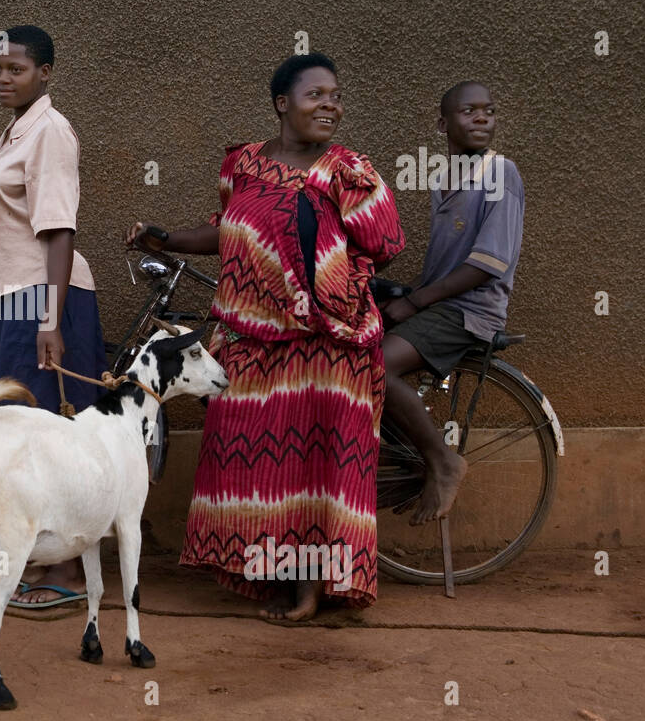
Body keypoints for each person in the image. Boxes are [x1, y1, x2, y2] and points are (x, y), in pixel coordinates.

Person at [126, 53, 405, 620]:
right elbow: (225, 230)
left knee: (317, 464)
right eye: (315, 95)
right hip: (253, 341)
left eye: (335, 96)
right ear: (283, 104)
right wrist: (168, 238)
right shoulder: (243, 165)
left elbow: (386, 241)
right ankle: (271, 574)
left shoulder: (347, 170)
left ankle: (311, 588)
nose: (330, 105)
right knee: (253, 460)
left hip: (330, 346)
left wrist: (323, 253)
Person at [0, 24, 107, 608]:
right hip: (10, 300)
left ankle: (68, 575)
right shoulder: (12, 135)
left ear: (44, 73)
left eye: (16, 69)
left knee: (46, 434)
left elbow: (58, 230)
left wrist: (48, 320)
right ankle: (29, 560)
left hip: (41, 298)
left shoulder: (49, 131)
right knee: (15, 433)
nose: (4, 78)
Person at [380, 81, 524, 525]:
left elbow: (487, 263)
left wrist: (416, 300)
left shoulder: (502, 173)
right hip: (441, 303)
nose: (481, 118)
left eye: (489, 111)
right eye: (469, 111)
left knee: (376, 367)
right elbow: (445, 262)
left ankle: (442, 461)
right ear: (444, 123)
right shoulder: (445, 178)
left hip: (470, 309)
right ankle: (403, 462)